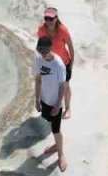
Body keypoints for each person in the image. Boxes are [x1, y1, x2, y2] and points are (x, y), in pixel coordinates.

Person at [32, 35, 71, 173]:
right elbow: (38, 79)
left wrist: (57, 105)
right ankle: (56, 145)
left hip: (55, 103)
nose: (42, 54)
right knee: (49, 123)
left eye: (44, 51)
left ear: (51, 48)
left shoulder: (59, 64)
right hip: (44, 99)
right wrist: (37, 100)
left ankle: (61, 154)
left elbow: (62, 87)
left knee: (56, 129)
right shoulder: (37, 58)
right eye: (40, 51)